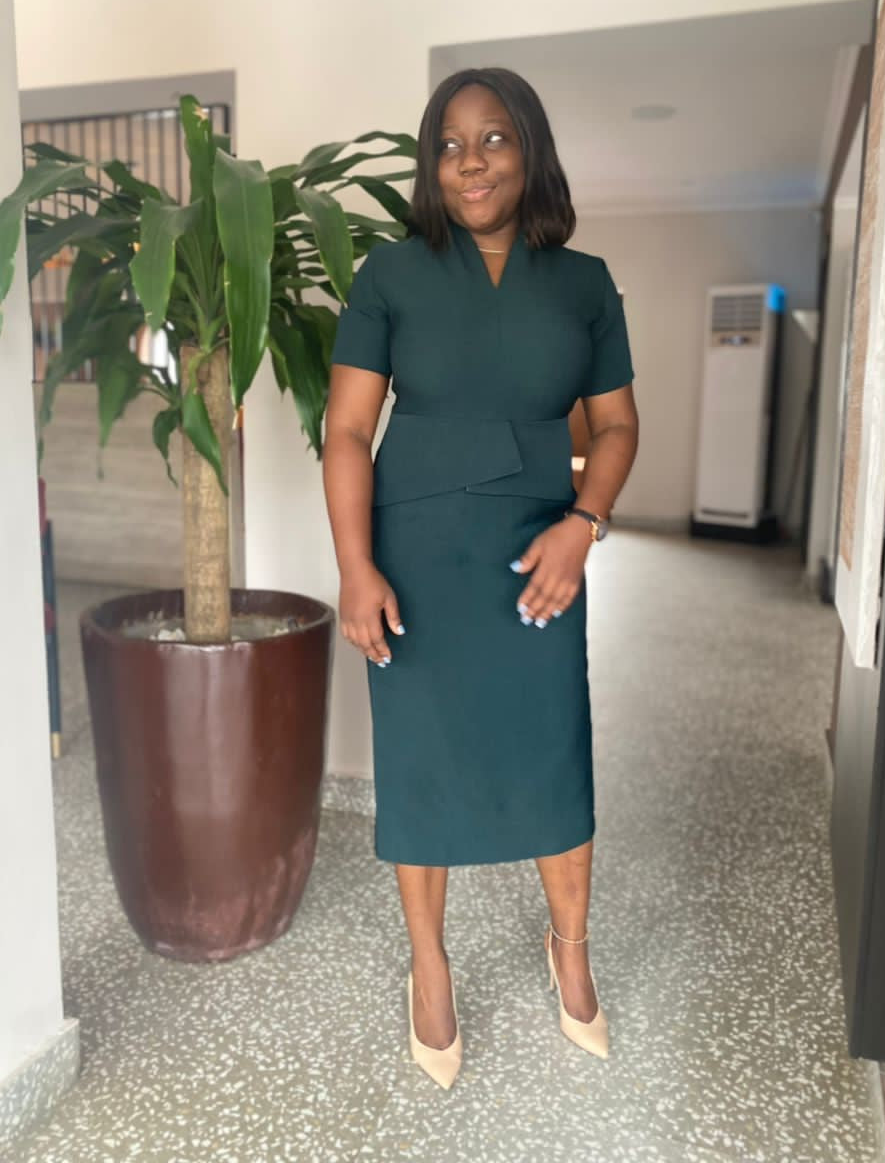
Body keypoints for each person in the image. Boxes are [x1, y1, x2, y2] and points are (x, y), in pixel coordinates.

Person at [322, 67, 638, 1089]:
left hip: (537, 549)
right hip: (412, 552)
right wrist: (356, 564)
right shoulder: (389, 273)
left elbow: (618, 426)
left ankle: (571, 949)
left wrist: (584, 524)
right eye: (450, 142)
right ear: (432, 163)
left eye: (494, 137)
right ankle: (428, 960)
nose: (469, 159)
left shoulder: (583, 281)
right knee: (423, 757)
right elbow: (346, 430)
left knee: (553, 750)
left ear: (530, 149)